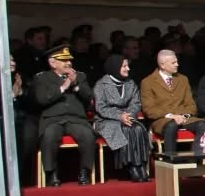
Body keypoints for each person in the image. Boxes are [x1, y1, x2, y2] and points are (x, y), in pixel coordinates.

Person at [32, 45, 96, 187]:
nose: (69, 63)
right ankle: (51, 174)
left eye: (69, 59)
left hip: (75, 119)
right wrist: (63, 87)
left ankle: (84, 172)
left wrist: (76, 85)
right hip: (52, 120)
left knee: (87, 135)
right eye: (64, 60)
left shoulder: (80, 76)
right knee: (49, 136)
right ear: (52, 63)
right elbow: (42, 99)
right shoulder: (42, 78)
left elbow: (90, 97)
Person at [141, 50, 205, 156]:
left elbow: (191, 105)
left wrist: (184, 115)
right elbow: (149, 109)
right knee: (172, 125)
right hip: (162, 119)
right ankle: (171, 159)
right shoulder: (148, 82)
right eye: (173, 63)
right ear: (162, 65)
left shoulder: (183, 79)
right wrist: (171, 116)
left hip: (184, 117)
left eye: (177, 62)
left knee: (204, 124)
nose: (177, 65)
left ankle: (196, 157)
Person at [93, 55, 151, 182]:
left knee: (138, 129)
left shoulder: (130, 83)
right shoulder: (101, 84)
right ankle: (131, 167)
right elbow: (100, 108)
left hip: (128, 117)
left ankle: (140, 165)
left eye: (127, 65)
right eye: (124, 66)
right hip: (106, 120)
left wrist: (128, 115)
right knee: (126, 129)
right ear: (115, 67)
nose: (128, 68)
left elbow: (136, 103)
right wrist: (119, 117)